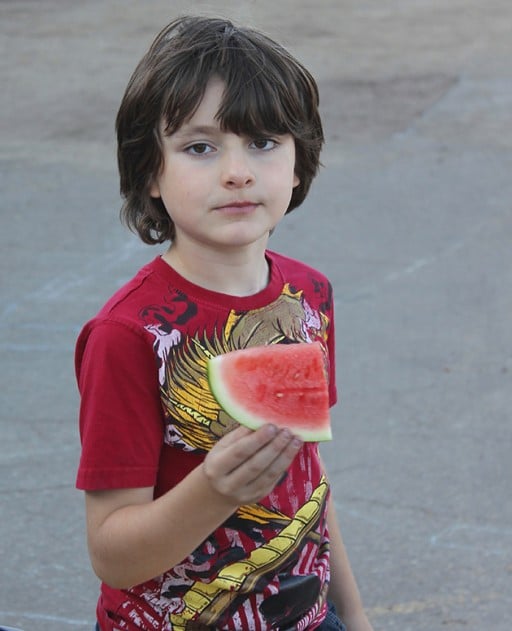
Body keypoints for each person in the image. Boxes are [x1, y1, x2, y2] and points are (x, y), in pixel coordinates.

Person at [75, 15, 374, 631]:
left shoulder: (307, 295)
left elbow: (308, 481)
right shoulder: (129, 336)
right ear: (151, 173)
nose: (236, 170)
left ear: (297, 165)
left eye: (262, 142)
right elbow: (112, 555)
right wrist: (215, 490)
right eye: (200, 147)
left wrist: (354, 614)